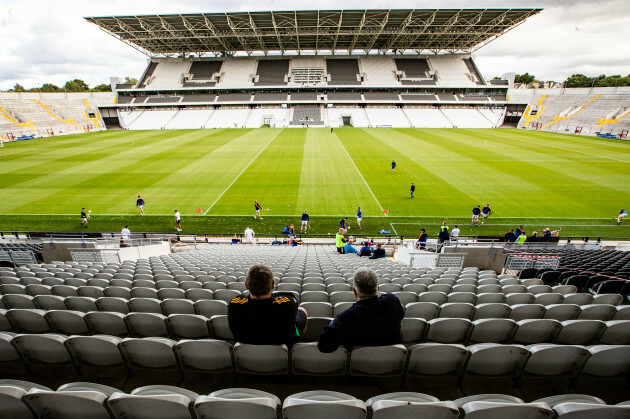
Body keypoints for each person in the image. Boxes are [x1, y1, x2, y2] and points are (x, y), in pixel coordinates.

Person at [317, 267, 404, 353]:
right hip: (391, 359)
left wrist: (333, 324)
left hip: (358, 365)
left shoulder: (345, 319)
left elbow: (324, 346)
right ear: (378, 288)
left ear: (354, 291)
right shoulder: (393, 302)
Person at [228, 264, 308, 346]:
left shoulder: (234, 303)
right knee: (302, 310)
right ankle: (292, 347)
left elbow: (242, 297)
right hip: (280, 347)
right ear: (273, 284)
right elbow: (291, 296)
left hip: (245, 349)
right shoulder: (287, 303)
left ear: (246, 286)